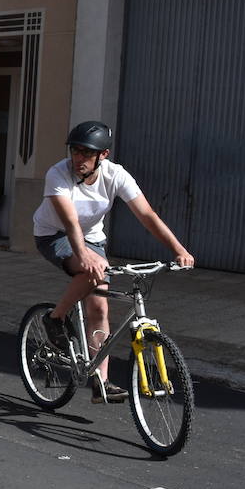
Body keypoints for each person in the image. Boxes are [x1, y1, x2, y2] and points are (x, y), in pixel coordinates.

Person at [32, 120, 194, 403]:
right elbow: (69, 221)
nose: (78, 158)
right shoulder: (58, 173)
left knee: (101, 305)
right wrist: (83, 256)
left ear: (102, 155)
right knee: (90, 270)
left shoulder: (116, 175)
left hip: (92, 238)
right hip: (53, 235)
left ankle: (100, 382)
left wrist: (179, 249)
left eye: (86, 153)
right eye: (75, 151)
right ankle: (55, 318)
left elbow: (147, 216)